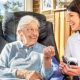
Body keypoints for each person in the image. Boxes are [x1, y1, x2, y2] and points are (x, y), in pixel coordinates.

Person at [0, 15, 64, 80]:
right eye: (30, 30)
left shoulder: (44, 50)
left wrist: (46, 59)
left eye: (36, 30)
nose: (35, 33)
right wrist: (22, 73)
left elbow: (47, 76)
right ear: (20, 32)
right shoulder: (9, 47)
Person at [60, 0, 80, 79]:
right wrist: (63, 69)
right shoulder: (71, 40)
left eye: (71, 15)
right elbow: (67, 65)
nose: (67, 20)